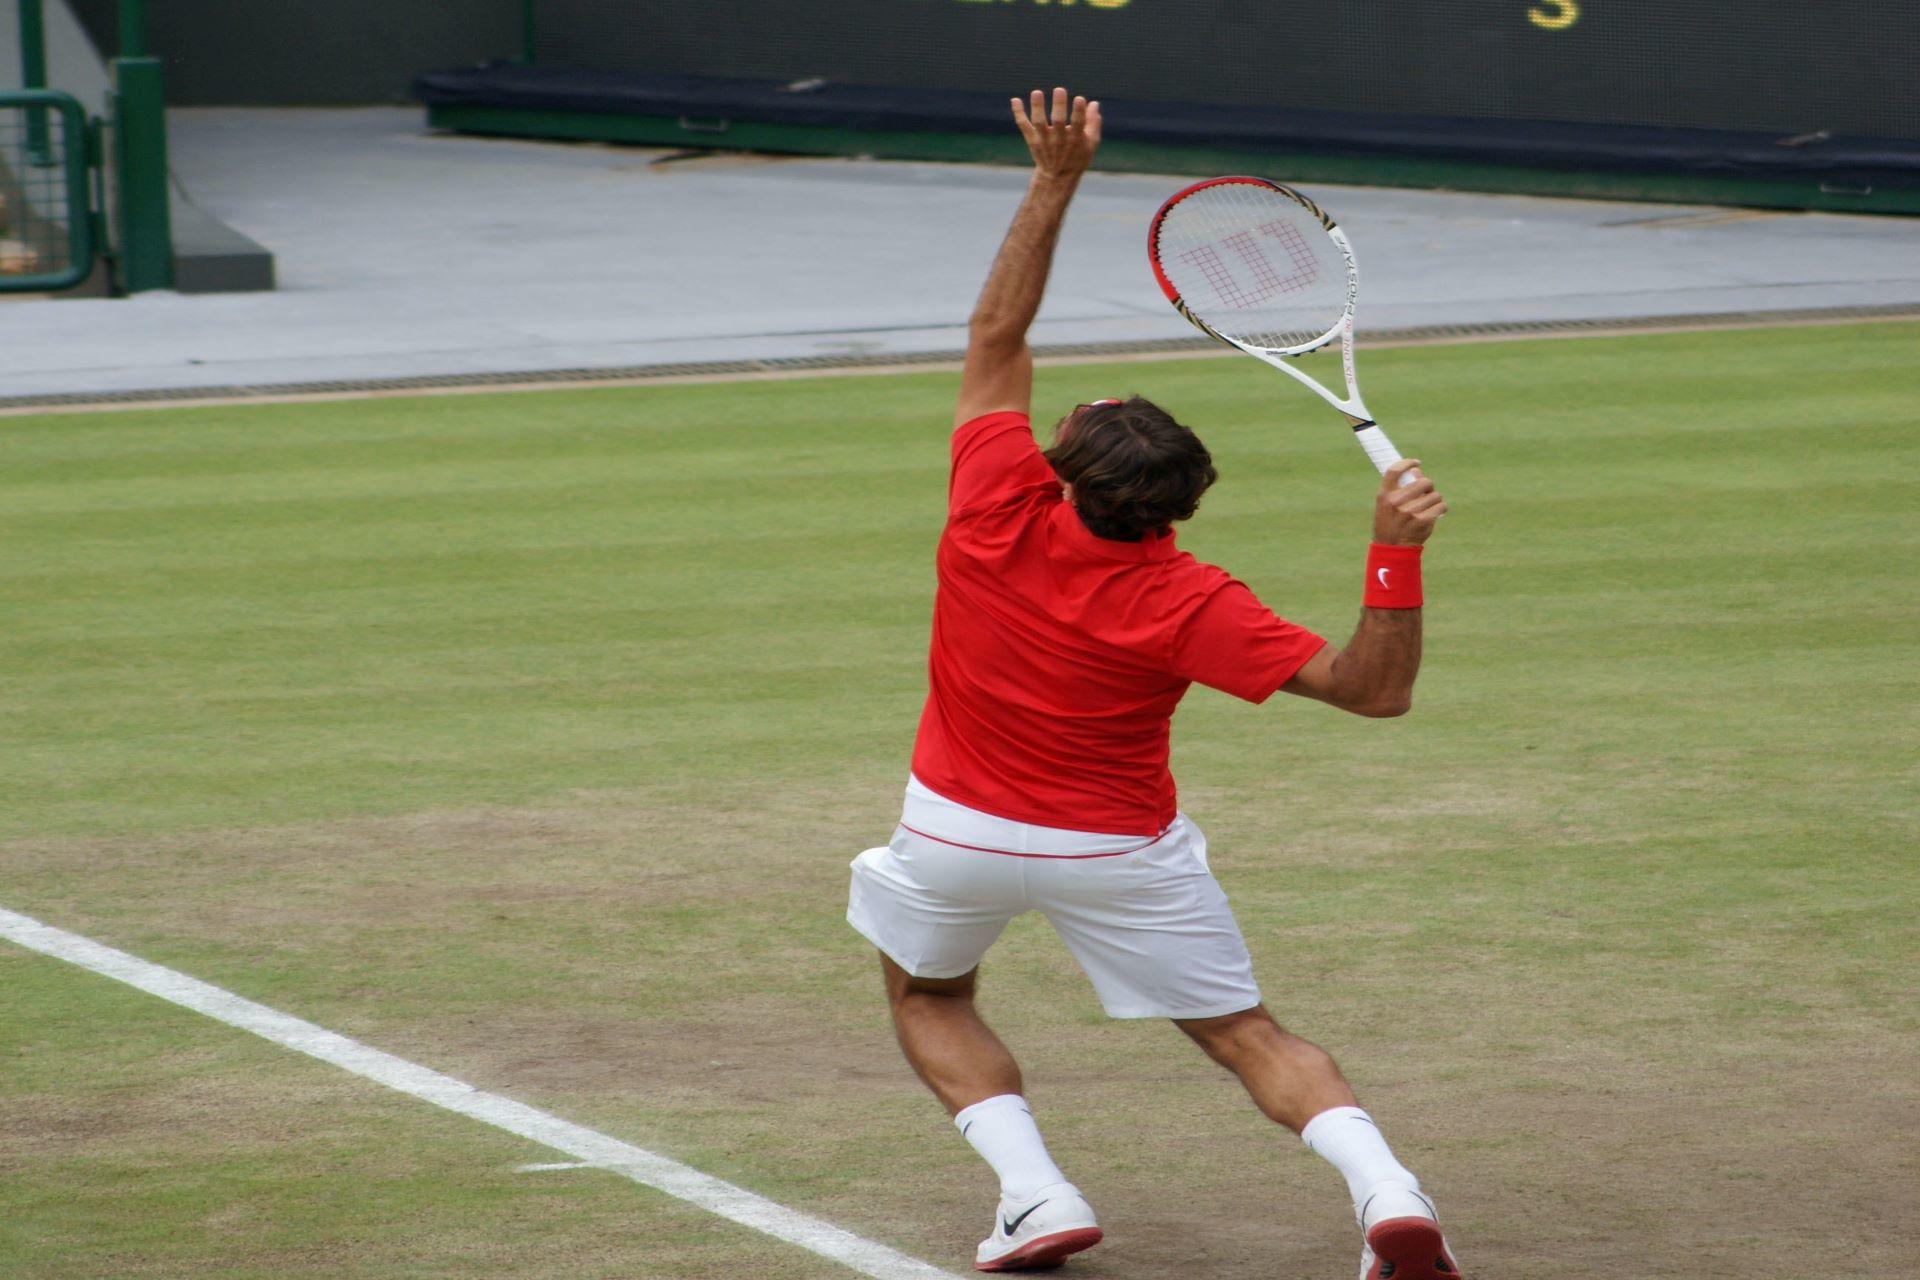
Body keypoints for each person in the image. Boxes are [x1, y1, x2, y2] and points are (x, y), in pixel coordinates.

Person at [846, 87, 1462, 1278]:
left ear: (1065, 471)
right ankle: (1391, 1195)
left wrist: (1055, 179)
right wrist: (1396, 547)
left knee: (928, 994)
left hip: (956, 829)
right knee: (1243, 1032)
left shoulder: (992, 500)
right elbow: (1371, 689)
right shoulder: (1193, 599)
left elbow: (996, 337)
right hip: (1119, 850)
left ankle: (1035, 1192)